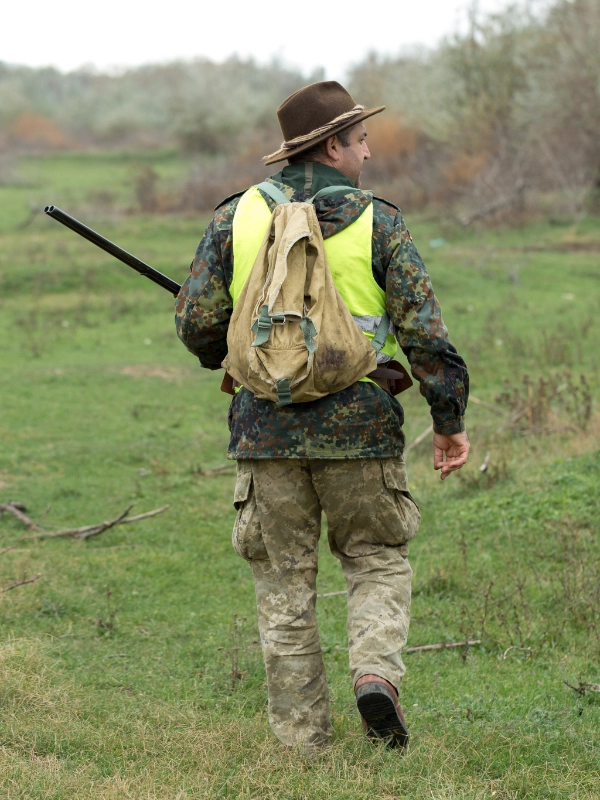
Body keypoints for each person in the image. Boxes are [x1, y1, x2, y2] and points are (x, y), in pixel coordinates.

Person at [175, 81, 470, 751]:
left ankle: (303, 745)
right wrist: (448, 421)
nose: (368, 150)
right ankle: (373, 676)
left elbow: (196, 326)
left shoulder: (235, 217)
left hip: (264, 432)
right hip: (362, 432)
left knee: (283, 586)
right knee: (375, 559)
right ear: (331, 146)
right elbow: (426, 338)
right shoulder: (378, 221)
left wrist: (239, 348)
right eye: (360, 138)